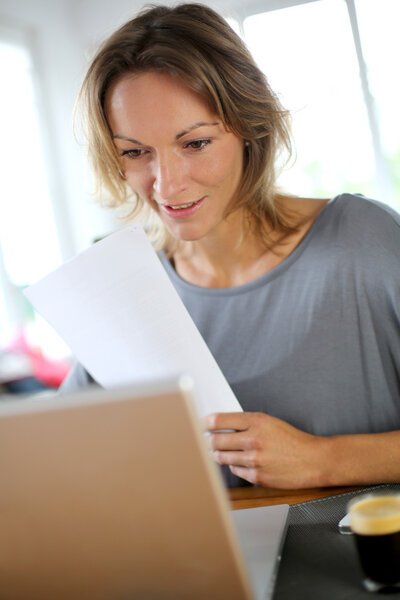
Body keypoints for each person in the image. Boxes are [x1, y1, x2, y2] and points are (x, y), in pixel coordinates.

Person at [61, 2, 400, 489]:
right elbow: (54, 468)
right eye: (135, 153)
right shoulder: (125, 295)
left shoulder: (365, 244)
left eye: (195, 143)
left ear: (247, 126)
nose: (167, 185)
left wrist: (326, 460)